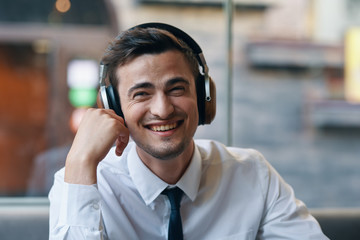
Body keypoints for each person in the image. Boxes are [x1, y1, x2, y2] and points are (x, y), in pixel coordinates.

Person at [49, 23, 329, 240]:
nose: (162, 109)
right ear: (114, 108)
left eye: (177, 89)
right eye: (142, 94)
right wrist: (80, 162)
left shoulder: (252, 174)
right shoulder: (80, 182)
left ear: (204, 96)